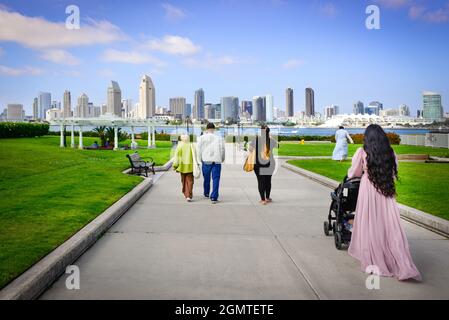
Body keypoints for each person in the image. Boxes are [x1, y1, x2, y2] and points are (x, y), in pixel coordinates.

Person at [347, 124, 421, 281]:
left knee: (371, 224)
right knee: (389, 226)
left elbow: (354, 173)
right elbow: (394, 172)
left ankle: (375, 257)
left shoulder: (362, 152)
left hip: (369, 190)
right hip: (386, 191)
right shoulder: (390, 152)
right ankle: (398, 261)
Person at [248, 125, 279, 205]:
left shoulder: (257, 139)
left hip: (258, 164)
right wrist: (270, 137)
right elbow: (277, 145)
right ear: (268, 132)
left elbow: (250, 149)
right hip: (270, 163)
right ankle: (268, 197)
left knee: (260, 181)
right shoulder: (271, 140)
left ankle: (263, 199)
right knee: (268, 180)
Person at [196, 123, 225, 204]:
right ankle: (214, 197)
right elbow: (222, 149)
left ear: (206, 129)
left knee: (206, 178)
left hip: (205, 160)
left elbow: (198, 149)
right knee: (216, 178)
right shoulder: (219, 138)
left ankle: (206, 193)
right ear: (214, 129)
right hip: (216, 160)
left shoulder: (201, 138)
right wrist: (222, 159)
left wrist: (199, 159)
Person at [173, 134, 195, 202]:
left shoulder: (179, 146)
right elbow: (195, 155)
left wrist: (175, 165)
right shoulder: (192, 145)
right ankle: (189, 194)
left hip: (182, 166)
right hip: (190, 166)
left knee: (183, 180)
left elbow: (176, 157)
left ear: (181, 139)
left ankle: (186, 193)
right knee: (190, 181)